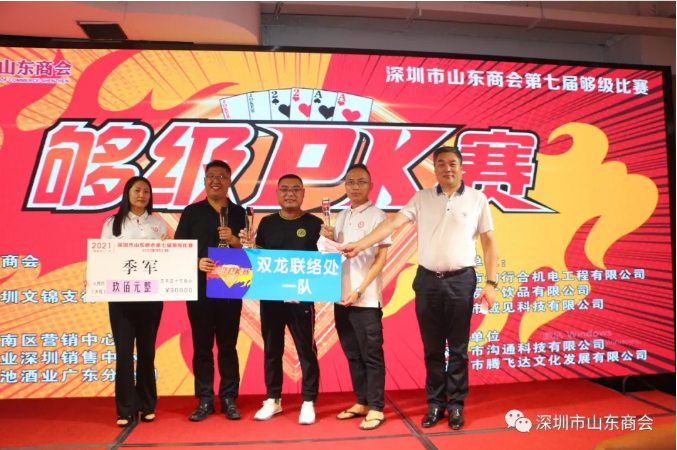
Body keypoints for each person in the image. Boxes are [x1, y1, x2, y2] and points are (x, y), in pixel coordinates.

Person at [341, 147, 498, 431]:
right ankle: (435, 403)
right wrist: (361, 245)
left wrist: (491, 282)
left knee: (459, 348)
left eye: (452, 163)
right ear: (434, 169)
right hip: (427, 281)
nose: (447, 168)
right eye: (441, 164)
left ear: (461, 167)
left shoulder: (477, 199)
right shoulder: (422, 198)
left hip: (461, 280)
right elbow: (393, 223)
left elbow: (489, 242)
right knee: (432, 348)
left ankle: (456, 405)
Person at [239, 174, 323, 425]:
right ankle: (273, 399)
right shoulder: (266, 223)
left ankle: (308, 401)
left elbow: (323, 263)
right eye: (284, 189)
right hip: (272, 297)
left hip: (302, 297)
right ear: (277, 193)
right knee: (272, 349)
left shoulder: (315, 223)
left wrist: (331, 241)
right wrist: (249, 246)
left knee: (306, 350)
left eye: (295, 189)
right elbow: (260, 260)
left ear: (303, 193)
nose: (290, 194)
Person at [174, 160, 246, 422]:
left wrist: (234, 240)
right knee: (202, 345)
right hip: (200, 287)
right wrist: (197, 262)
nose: (216, 180)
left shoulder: (239, 213)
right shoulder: (192, 211)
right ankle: (205, 398)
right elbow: (178, 247)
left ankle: (229, 398)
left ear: (230, 181)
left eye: (222, 176)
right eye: (211, 176)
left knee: (228, 345)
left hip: (231, 284)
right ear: (205, 181)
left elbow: (250, 249)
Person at [320, 164, 390, 431]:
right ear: (345, 186)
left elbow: (380, 259)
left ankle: (377, 408)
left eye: (361, 182)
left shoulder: (378, 216)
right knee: (352, 354)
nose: (355, 186)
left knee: (371, 355)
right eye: (350, 182)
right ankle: (362, 402)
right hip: (341, 298)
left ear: (370, 186)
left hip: (365, 299)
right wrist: (326, 239)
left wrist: (360, 289)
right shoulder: (340, 216)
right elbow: (335, 254)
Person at [93, 176, 168, 427]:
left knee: (147, 351)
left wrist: (170, 248)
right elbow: (101, 256)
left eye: (146, 191)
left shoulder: (158, 223)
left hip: (151, 296)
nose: (142, 195)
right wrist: (91, 276)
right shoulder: (112, 223)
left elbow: (168, 259)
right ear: (127, 193)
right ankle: (125, 409)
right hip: (121, 297)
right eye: (137, 190)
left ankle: (147, 405)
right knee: (124, 353)